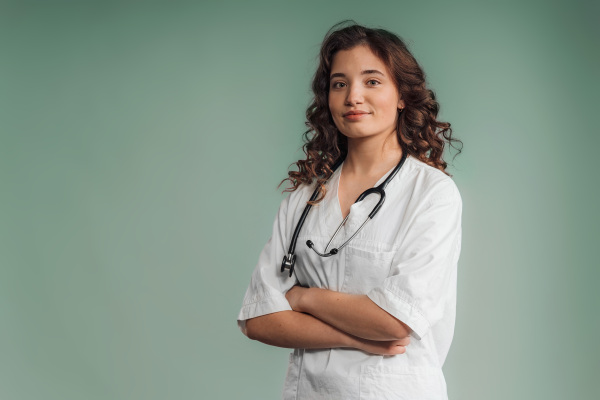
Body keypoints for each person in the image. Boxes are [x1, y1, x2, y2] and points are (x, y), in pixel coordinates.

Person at [237, 21, 463, 400]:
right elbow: (257, 319)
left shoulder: (432, 194)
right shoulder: (305, 198)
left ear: (402, 95)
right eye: (339, 84)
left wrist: (304, 298)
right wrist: (356, 338)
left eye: (372, 81)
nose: (353, 96)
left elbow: (395, 322)